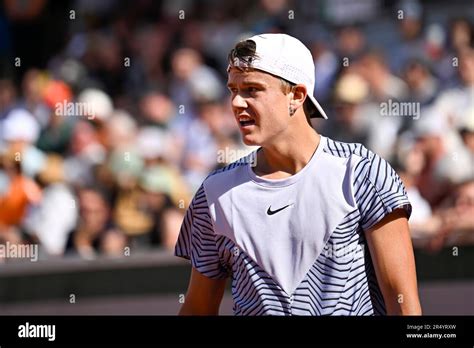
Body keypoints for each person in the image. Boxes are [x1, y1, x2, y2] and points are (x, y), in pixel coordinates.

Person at [175, 33, 422, 315]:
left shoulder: (362, 171)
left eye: (252, 89)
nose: (236, 103)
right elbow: (197, 309)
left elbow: (404, 305)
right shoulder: (214, 192)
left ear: (297, 95)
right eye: (233, 90)